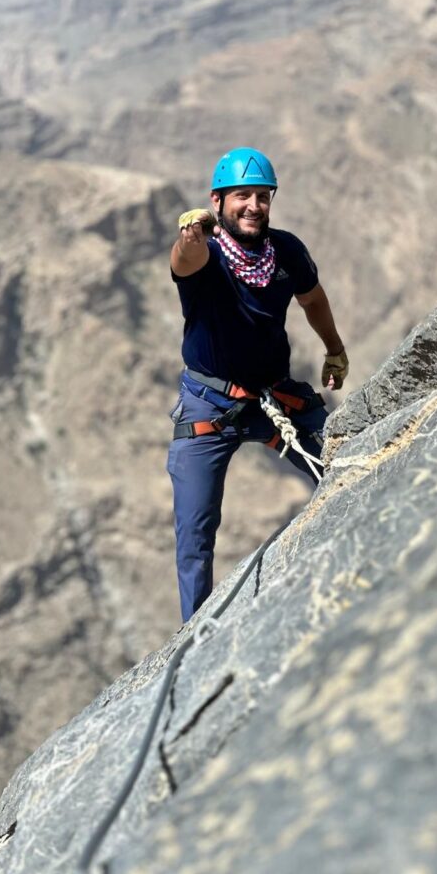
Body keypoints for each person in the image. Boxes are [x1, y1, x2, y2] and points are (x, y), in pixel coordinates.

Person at [168, 146, 349, 622]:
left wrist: (334, 348)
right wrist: (191, 234)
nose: (253, 206)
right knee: (194, 537)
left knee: (345, 464)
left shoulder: (285, 250)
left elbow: (312, 299)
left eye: (262, 196)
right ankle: (194, 638)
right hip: (209, 406)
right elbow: (183, 260)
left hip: (274, 396)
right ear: (217, 202)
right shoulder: (205, 255)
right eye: (241, 196)